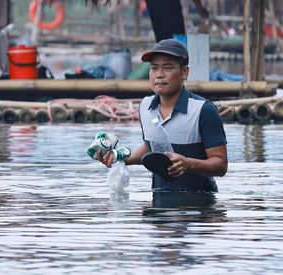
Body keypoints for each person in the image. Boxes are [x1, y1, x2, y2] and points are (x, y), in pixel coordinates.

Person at [97, 39, 228, 192]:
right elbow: (150, 147)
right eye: (154, 68)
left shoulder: (203, 110)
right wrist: (120, 158)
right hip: (159, 202)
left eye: (167, 68)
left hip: (199, 204)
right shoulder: (145, 106)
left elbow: (221, 165)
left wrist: (188, 163)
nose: (159, 75)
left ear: (184, 72)